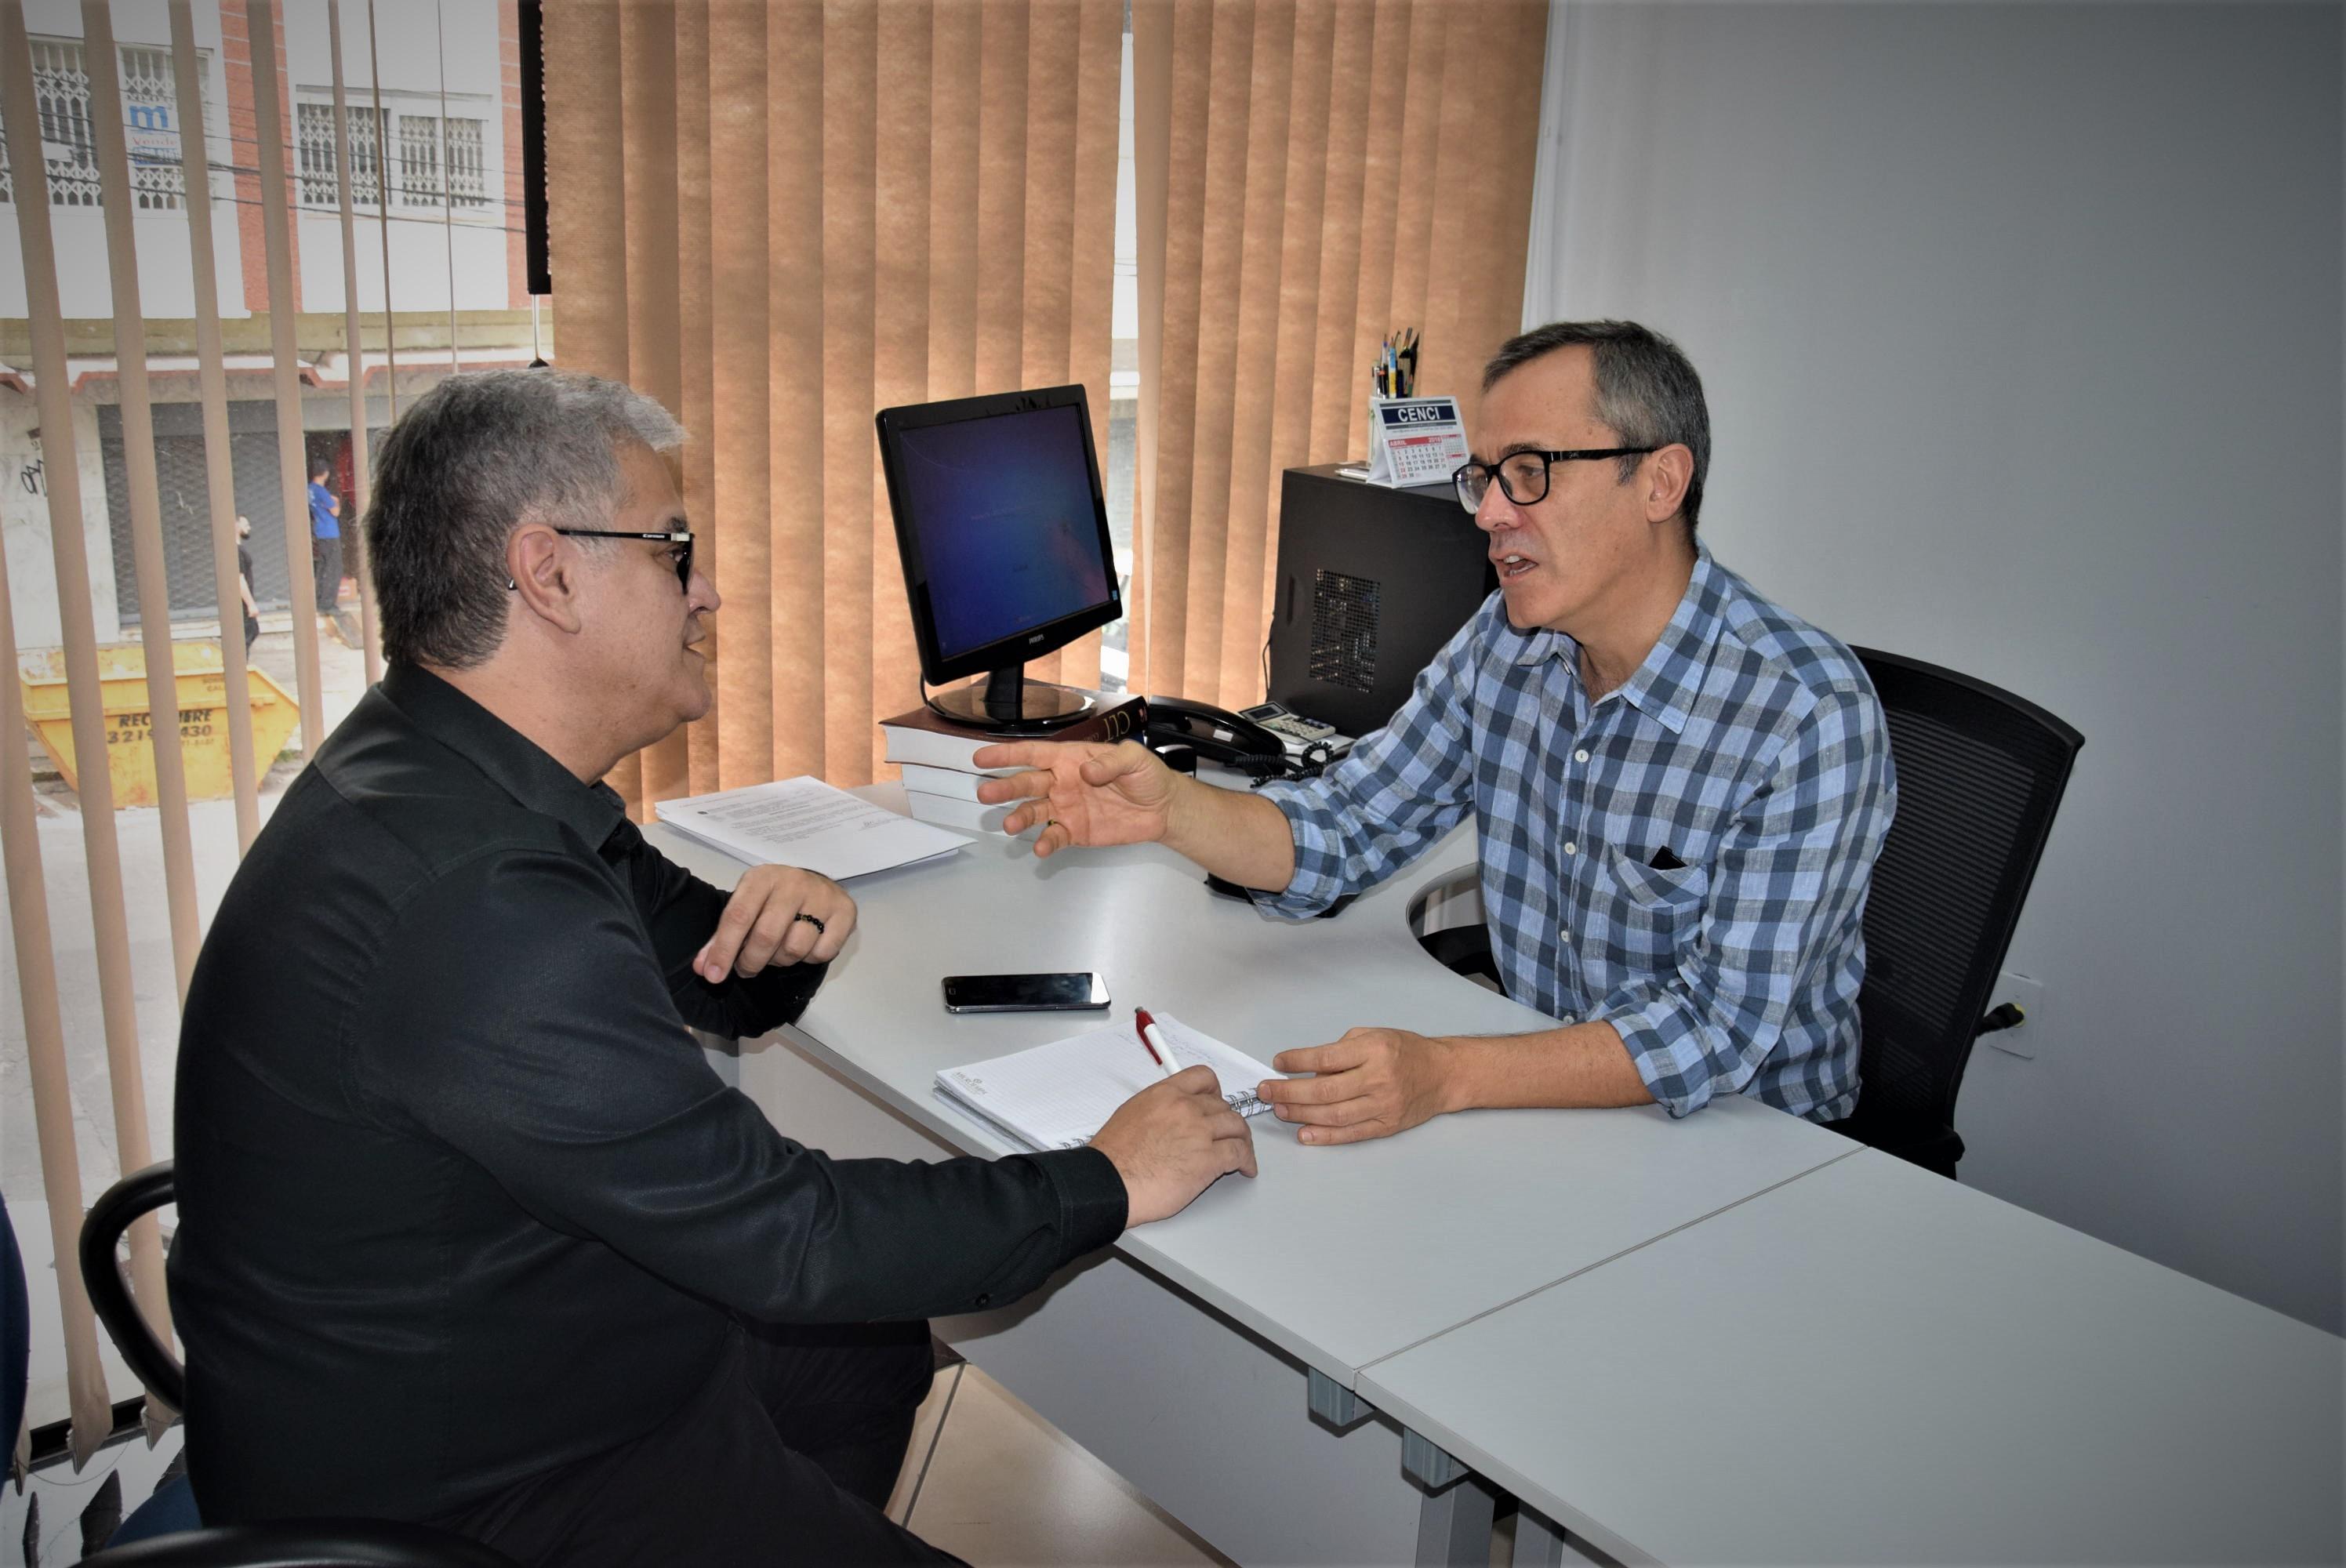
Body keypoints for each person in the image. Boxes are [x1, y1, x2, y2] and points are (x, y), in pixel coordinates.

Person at [169, 370, 1256, 1566]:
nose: (711, 589)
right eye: (674, 548)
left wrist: (799, 930)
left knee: (873, 1352)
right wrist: (1107, 1175)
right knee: (844, 1315)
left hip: (501, 1349)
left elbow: (711, 967)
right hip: (472, 1485)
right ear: (549, 574)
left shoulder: (456, 770)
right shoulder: (474, 902)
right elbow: (791, 1236)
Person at [975, 321, 1897, 1145]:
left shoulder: (1802, 715)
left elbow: (1717, 1031)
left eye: (1531, 471)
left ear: (1659, 480)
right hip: (1562, 1109)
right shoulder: (1509, 639)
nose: (1491, 512)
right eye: (1484, 477)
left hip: (1757, 1149)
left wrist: (1450, 1072)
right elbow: (1346, 825)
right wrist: (1172, 807)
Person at [307, 458, 342, 617]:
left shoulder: (310, 489)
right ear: (326, 473)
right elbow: (335, 512)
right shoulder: (321, 491)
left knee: (323, 567)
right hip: (330, 532)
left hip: (319, 531)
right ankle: (328, 603)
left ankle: (320, 599)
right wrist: (336, 501)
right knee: (334, 568)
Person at [234, 514, 258, 655]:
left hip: (242, 604)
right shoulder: (236, 551)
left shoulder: (236, 550)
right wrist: (250, 604)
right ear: (236, 526)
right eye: (245, 524)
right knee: (245, 637)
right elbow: (239, 578)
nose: (249, 527)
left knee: (253, 631)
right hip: (242, 605)